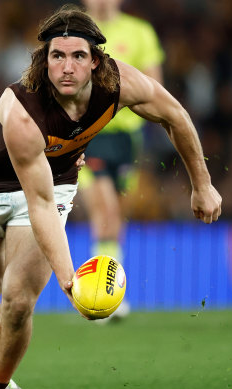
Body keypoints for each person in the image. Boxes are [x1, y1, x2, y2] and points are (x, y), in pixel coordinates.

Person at [0, 5, 221, 389]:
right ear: (43, 61)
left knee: (16, 300)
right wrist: (71, 282)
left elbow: (175, 116)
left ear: (95, 60)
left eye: (78, 56)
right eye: (57, 56)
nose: (67, 67)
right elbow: (38, 203)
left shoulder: (120, 84)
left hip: (54, 182)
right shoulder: (22, 111)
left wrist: (202, 184)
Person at [78, 0, 166, 319]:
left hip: (127, 138)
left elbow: (154, 87)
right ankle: (101, 297)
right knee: (105, 210)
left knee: (114, 217)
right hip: (88, 133)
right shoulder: (74, 30)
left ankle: (104, 292)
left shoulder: (139, 32)